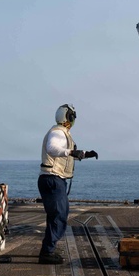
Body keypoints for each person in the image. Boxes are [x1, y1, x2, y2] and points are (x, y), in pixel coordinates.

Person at [38, 103, 97, 265]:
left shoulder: (63, 133)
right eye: (73, 116)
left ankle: (48, 249)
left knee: (56, 216)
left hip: (55, 179)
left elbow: (67, 154)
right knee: (59, 215)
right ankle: (46, 252)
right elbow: (52, 149)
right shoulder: (57, 133)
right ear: (69, 117)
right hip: (52, 179)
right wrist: (71, 152)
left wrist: (85, 154)